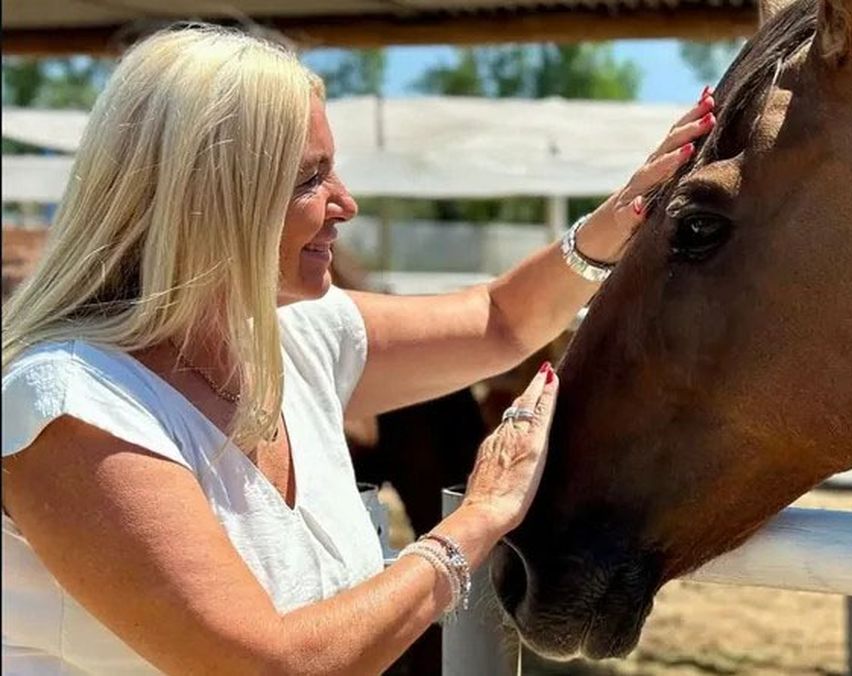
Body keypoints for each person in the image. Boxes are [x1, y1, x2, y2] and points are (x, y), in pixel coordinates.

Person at [0, 23, 715, 674]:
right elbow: (275, 667)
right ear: (213, 199)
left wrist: (618, 220)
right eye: (311, 177)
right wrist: (478, 519)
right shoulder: (72, 405)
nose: (347, 202)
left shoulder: (288, 338)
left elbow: (499, 320)